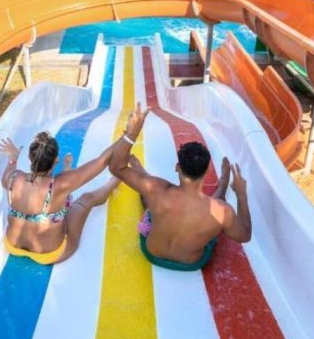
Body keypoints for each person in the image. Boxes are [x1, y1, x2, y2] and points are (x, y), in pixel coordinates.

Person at [108, 104, 252, 271]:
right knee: (216, 211)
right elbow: (244, 235)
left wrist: (132, 133)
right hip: (191, 263)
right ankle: (223, 185)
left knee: (149, 199)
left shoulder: (156, 189)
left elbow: (116, 167)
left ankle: (141, 172)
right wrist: (241, 195)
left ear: (177, 167)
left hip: (152, 253)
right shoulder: (222, 210)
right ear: (206, 172)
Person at [0, 132, 121, 265]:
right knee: (86, 199)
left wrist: (13, 156)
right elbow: (102, 161)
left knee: (61, 193)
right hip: (49, 254)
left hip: (12, 245)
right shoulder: (60, 185)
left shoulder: (12, 178)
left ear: (29, 157)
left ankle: (67, 170)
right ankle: (115, 180)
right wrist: (128, 135)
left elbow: (10, 167)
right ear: (56, 160)